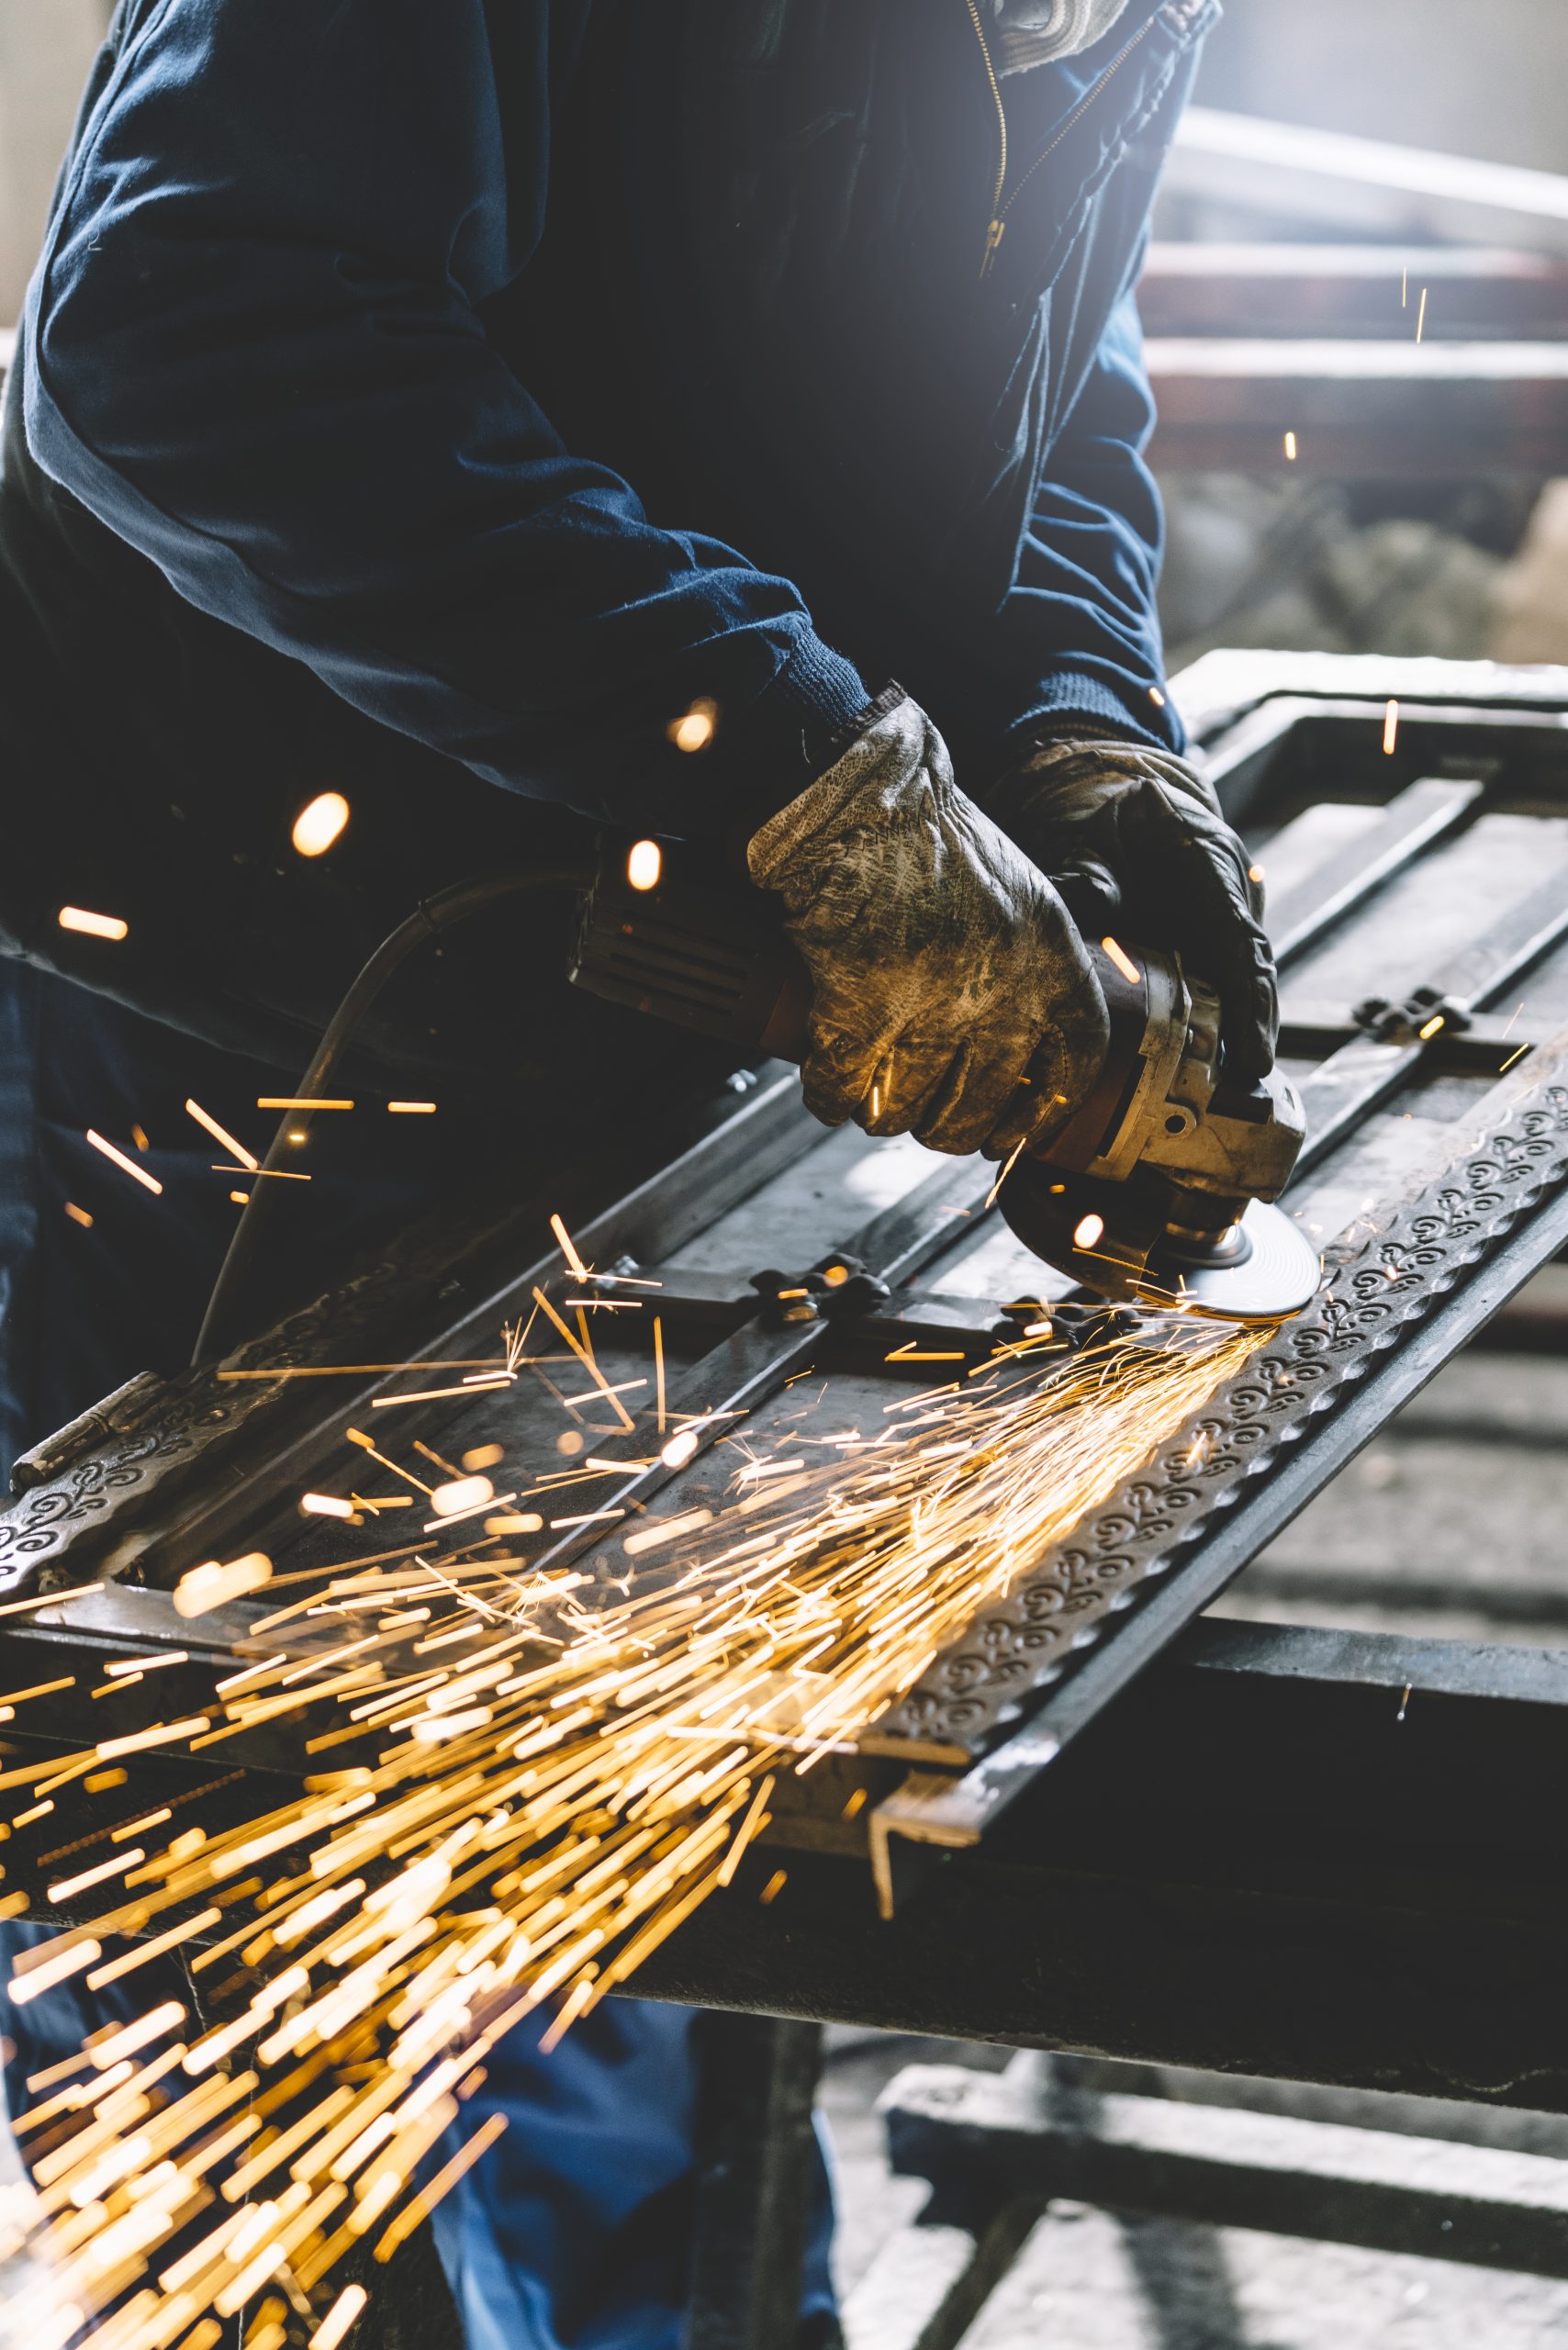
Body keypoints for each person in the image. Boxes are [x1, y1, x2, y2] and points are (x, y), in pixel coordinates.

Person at [0, 3, 1278, 2345]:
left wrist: (1079, 718)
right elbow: (182, 320)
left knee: (620, 1844)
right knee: (217, 1921)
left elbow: (1031, 363)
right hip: (216, 1022)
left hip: (621, 1003)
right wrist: (790, 757)